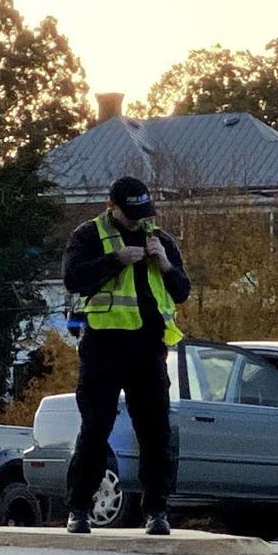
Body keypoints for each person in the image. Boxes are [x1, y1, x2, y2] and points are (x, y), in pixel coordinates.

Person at [62, 176, 190, 536]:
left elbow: (181, 291)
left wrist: (164, 263)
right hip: (105, 345)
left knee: (155, 432)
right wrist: (115, 260)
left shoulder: (159, 240)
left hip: (149, 347)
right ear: (111, 207)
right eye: (129, 213)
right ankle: (79, 509)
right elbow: (73, 279)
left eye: (142, 213)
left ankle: (157, 511)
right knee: (96, 428)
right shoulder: (88, 236)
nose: (136, 220)